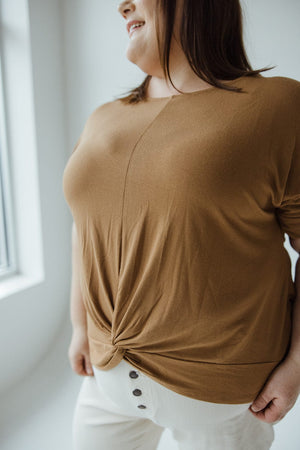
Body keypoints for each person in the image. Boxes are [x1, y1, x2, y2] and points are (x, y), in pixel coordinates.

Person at [63, 0, 300, 449]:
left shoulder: (280, 106)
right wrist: (79, 327)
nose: (122, 5)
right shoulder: (103, 117)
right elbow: (85, 228)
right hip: (105, 376)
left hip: (227, 395)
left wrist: (299, 363)